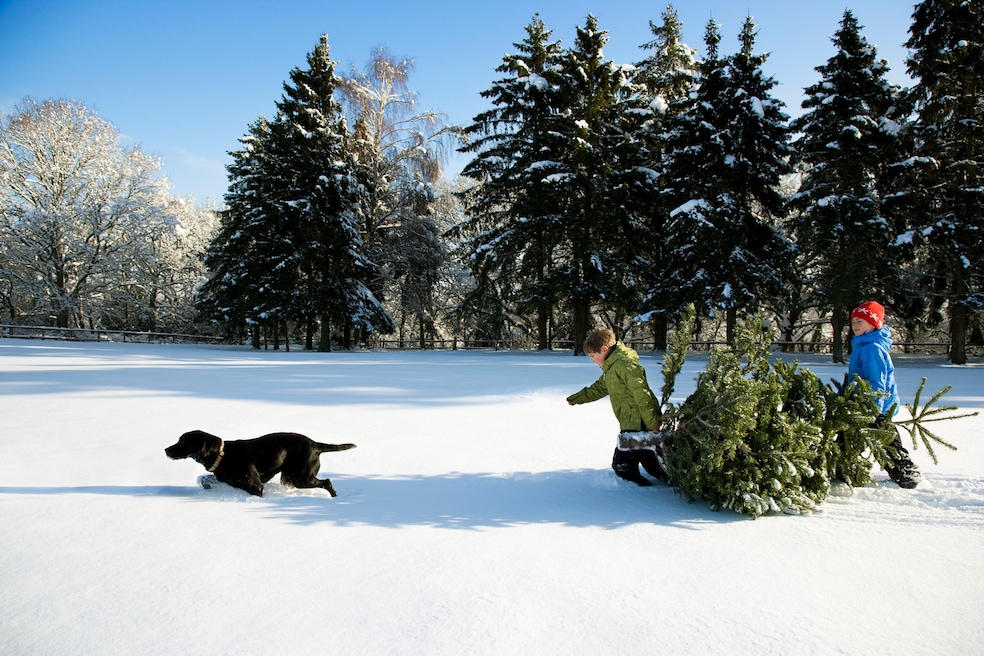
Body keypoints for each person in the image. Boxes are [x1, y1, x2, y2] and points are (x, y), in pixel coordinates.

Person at [566, 327, 666, 486]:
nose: (593, 360)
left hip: (637, 421)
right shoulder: (611, 366)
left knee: (622, 465)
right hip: (630, 420)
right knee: (648, 458)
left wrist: (653, 421)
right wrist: (576, 398)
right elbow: (600, 388)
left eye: (593, 356)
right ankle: (666, 478)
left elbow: (642, 393)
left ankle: (639, 492)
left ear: (604, 349)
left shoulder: (624, 365)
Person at [848, 301, 921, 489]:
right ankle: (846, 469)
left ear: (873, 324)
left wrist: (875, 409)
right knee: (851, 438)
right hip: (863, 405)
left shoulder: (872, 349)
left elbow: (877, 382)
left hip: (875, 407)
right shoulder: (863, 346)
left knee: (887, 440)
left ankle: (906, 473)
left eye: (860, 321)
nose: (855, 325)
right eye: (853, 321)